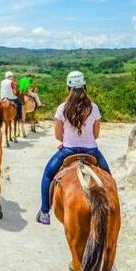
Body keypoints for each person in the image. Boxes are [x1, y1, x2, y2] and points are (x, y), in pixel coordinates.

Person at [36, 70, 111, 225]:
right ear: (84, 86)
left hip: (68, 151)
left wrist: (69, 139)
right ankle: (112, 207)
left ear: (68, 87)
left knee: (48, 175)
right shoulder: (94, 107)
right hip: (91, 151)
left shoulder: (62, 108)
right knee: (109, 178)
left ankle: (44, 212)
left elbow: (58, 136)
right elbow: (96, 134)